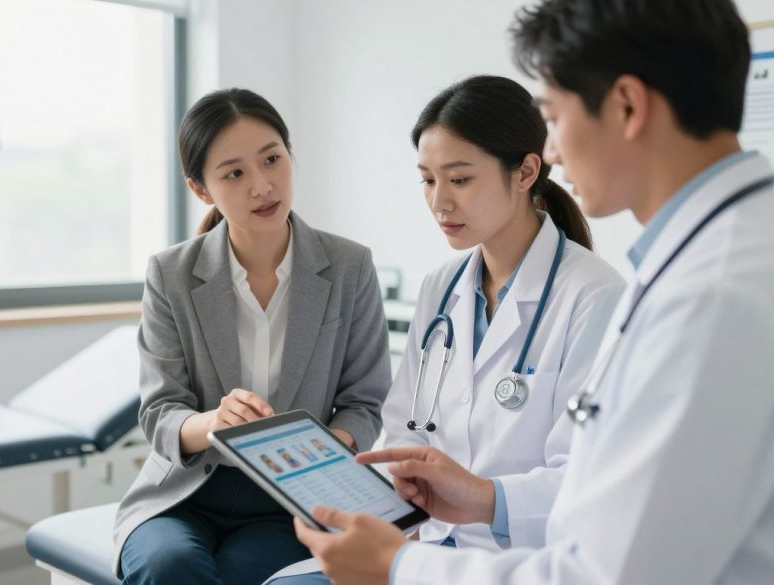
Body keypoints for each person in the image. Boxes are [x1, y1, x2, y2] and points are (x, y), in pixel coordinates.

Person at [293, 1, 774, 584]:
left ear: (627, 105)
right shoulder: (712, 259)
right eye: (428, 180)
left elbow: (608, 573)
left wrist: (399, 568)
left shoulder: (711, 294)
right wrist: (467, 503)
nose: (554, 152)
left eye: (554, 115)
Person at [269, 75, 624, 584]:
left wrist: (483, 500)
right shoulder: (442, 289)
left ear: (525, 171)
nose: (439, 202)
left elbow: (588, 484)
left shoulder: (593, 297)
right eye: (428, 180)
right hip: (422, 546)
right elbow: (403, 430)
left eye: (459, 180)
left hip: (518, 564)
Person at [112, 87, 393, 585]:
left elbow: (365, 403)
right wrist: (214, 422)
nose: (262, 186)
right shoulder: (171, 273)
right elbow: (159, 413)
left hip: (289, 499)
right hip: (184, 494)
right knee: (169, 566)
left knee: (243, 571)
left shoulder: (350, 265)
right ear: (201, 189)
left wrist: (318, 448)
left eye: (272, 159)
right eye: (234, 173)